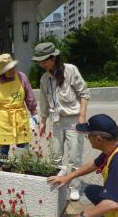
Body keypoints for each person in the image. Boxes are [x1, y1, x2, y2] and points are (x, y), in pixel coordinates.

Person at [32, 42, 90, 201]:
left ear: (54, 57)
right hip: (56, 121)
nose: (42, 63)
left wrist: (82, 118)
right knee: (55, 155)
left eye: (45, 60)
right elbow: (43, 102)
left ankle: (74, 187)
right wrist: (42, 121)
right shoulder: (44, 78)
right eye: (40, 61)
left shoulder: (70, 70)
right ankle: (56, 182)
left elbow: (84, 93)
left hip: (73, 120)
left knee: (74, 156)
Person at [0, 53, 38, 155]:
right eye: (7, 69)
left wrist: (34, 114)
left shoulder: (21, 77)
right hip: (4, 120)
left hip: (21, 118)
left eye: (12, 67)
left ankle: (23, 169)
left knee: (23, 150)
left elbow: (30, 97)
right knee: (2, 150)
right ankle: (2, 169)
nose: (11, 71)